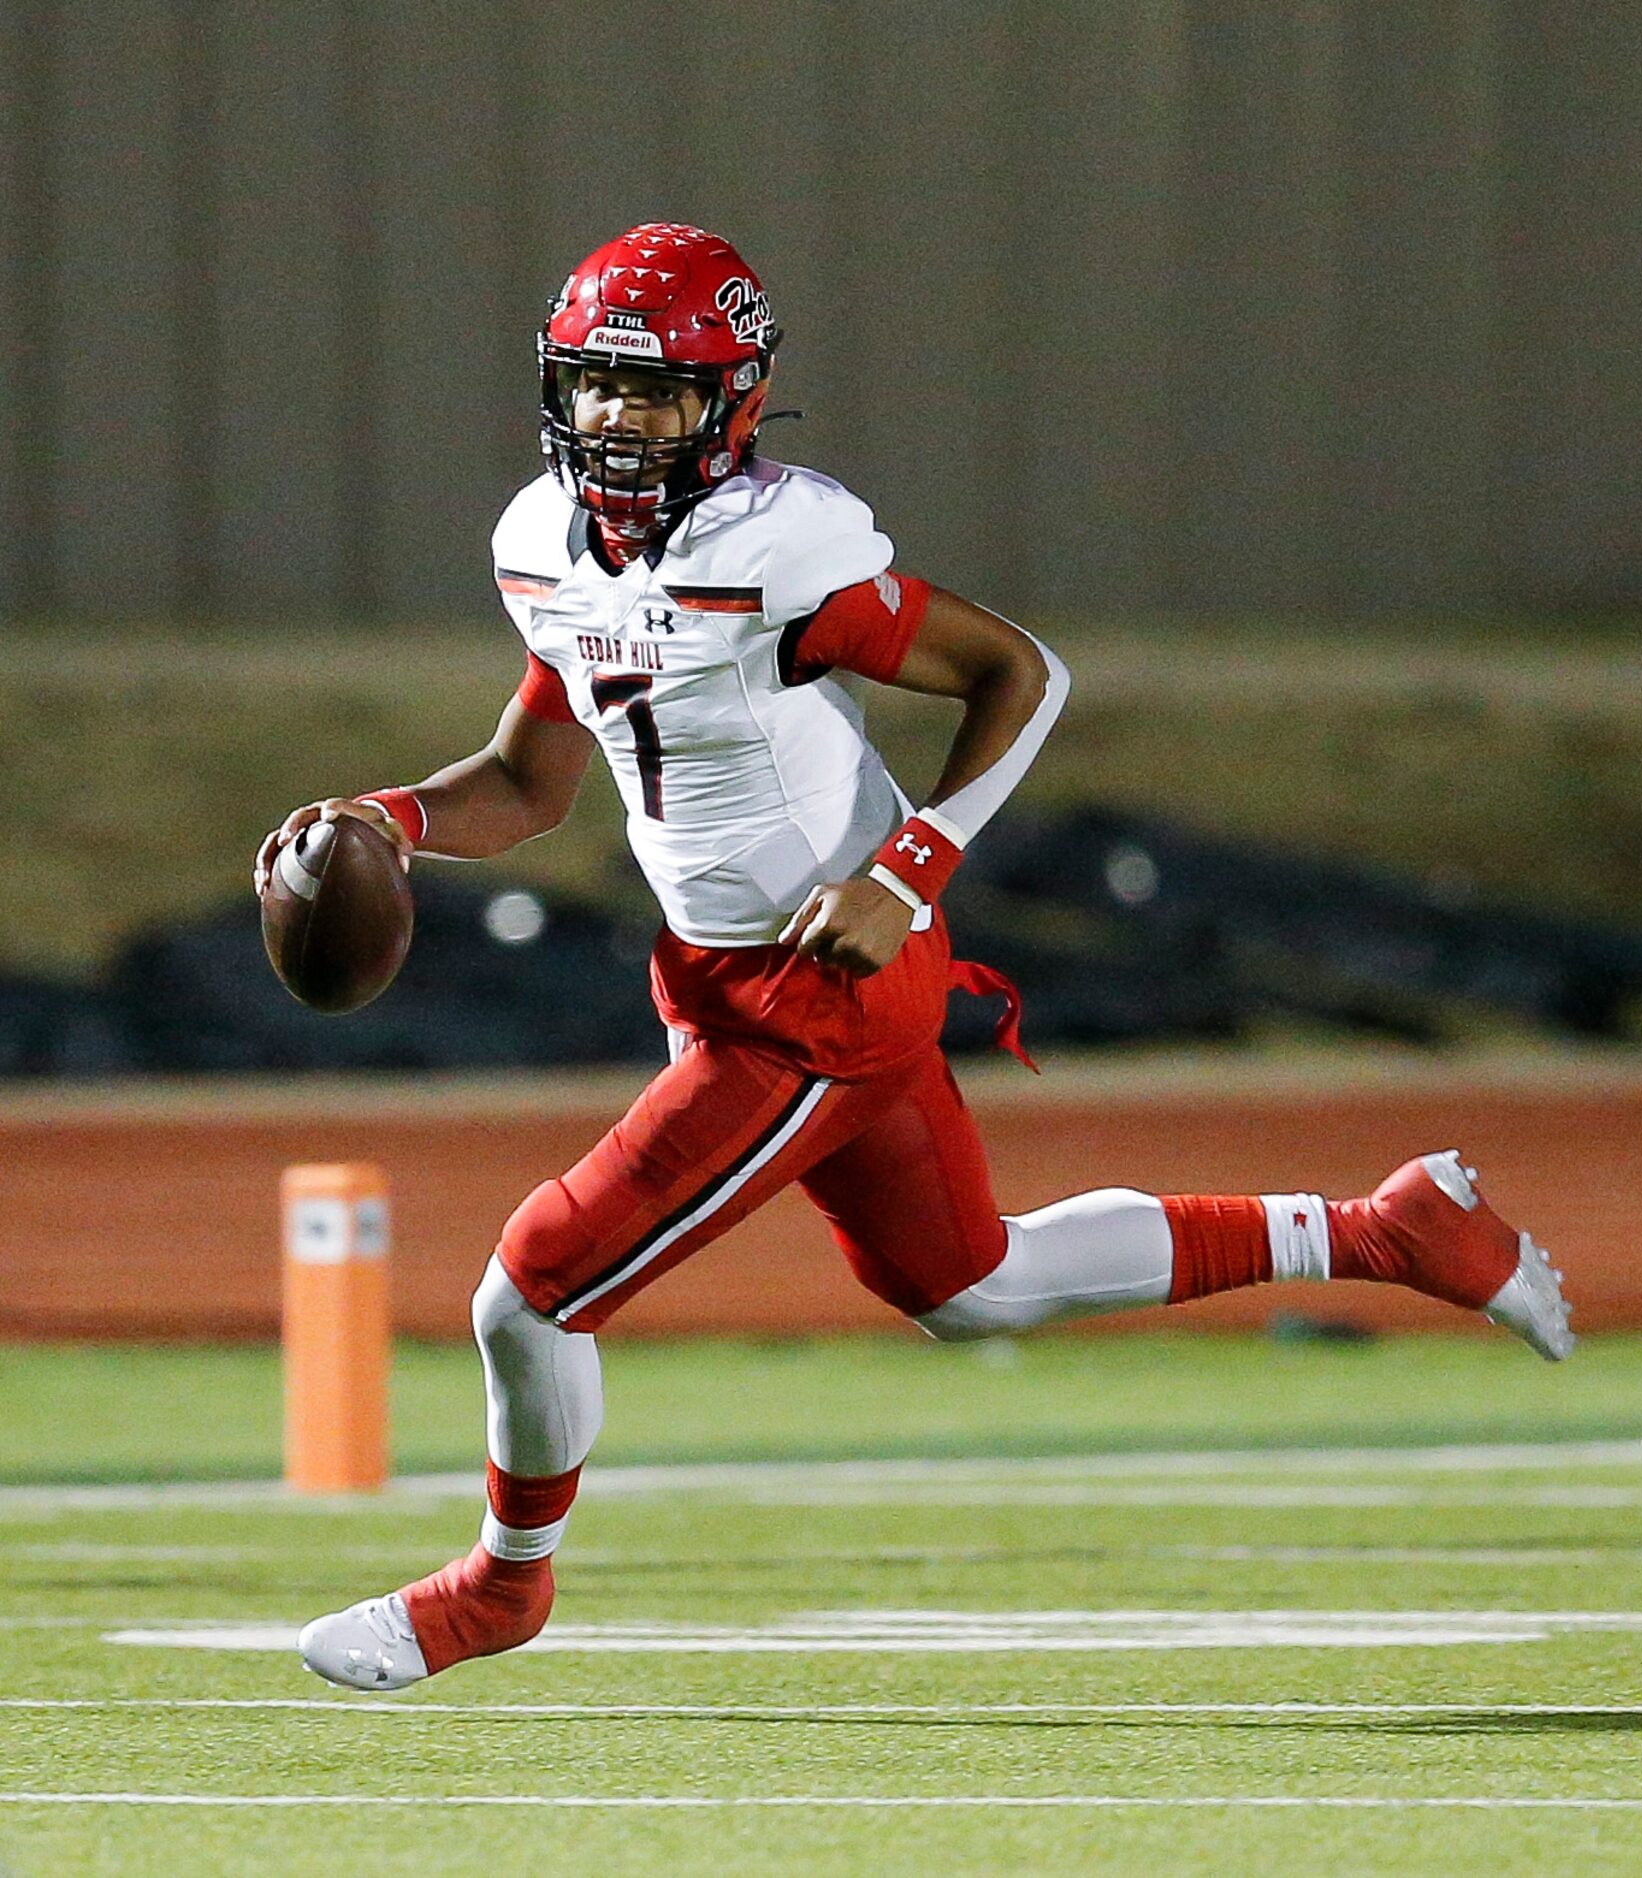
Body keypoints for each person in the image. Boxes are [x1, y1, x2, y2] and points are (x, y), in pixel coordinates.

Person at [283, 224, 1573, 1693]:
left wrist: (912, 866)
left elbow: (1020, 670)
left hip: (812, 993)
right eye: (597, 391)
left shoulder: (776, 554)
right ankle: (1396, 1230)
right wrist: (381, 815)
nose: (621, 426)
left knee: (532, 1289)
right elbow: (528, 782)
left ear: (736, 402)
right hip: (728, 973)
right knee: (973, 1282)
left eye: (659, 397)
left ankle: (500, 1586)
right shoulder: (544, 547)